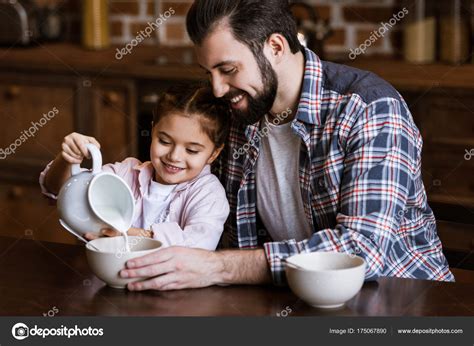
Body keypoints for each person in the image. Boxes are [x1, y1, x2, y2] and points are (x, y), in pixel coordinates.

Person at [119, 0, 454, 291]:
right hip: (288, 298)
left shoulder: (368, 110)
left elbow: (362, 251)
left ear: (276, 47)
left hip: (401, 300)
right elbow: (178, 194)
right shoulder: (238, 113)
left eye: (228, 70)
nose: (218, 89)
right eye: (210, 73)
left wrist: (218, 266)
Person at [39, 85, 230, 251]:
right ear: (153, 130)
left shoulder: (209, 194)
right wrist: (67, 159)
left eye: (191, 150)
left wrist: (129, 235)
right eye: (164, 141)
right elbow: (59, 189)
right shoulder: (126, 172)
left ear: (214, 153)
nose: (174, 156)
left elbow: (196, 248)